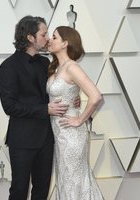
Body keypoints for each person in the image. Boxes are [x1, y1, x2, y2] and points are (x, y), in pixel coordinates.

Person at [0, 16, 69, 200]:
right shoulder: (8, 67)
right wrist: (44, 109)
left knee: (42, 192)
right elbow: (9, 106)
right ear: (30, 37)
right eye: (44, 34)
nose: (48, 39)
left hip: (46, 139)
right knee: (19, 191)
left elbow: (55, 92)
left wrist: (72, 100)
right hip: (22, 141)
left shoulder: (45, 63)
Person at [47, 26, 104, 199]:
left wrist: (79, 120)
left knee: (73, 180)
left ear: (65, 43)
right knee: (66, 180)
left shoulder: (72, 67)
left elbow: (95, 97)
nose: (50, 39)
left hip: (71, 134)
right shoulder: (56, 68)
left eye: (54, 37)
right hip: (59, 134)